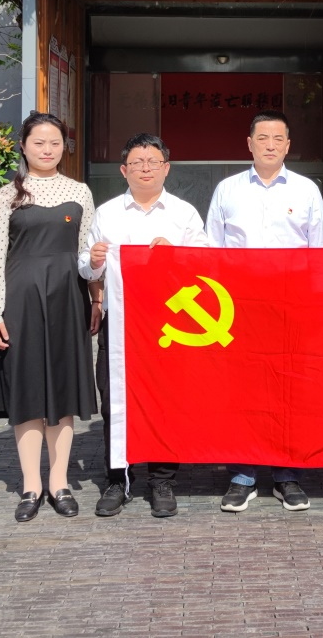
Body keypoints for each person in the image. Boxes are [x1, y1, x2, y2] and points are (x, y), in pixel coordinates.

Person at [0, 112, 98, 521]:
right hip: (20, 303)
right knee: (25, 392)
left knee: (63, 391)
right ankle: (31, 485)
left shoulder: (79, 192)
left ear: (65, 147)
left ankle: (59, 482)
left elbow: (87, 254)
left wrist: (96, 300)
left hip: (68, 301)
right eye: (38, 143)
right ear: (23, 147)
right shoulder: (3, 196)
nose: (47, 150)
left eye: (55, 143)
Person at [79, 132, 210, 518]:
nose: (146, 168)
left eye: (153, 161)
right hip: (120, 325)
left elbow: (205, 261)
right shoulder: (107, 213)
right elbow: (85, 266)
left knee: (165, 402)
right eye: (137, 162)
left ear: (166, 168)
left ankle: (162, 480)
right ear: (124, 170)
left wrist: (176, 254)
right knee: (114, 401)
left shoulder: (183, 213)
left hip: (169, 327)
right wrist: (95, 259)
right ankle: (117, 479)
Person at [207, 109, 323, 512]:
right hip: (239, 307)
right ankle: (242, 475)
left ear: (288, 145)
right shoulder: (227, 189)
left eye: (278, 138)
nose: (270, 145)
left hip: (292, 306)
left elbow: (320, 253)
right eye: (262, 138)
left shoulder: (306, 190)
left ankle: (286, 474)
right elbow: (212, 252)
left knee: (288, 390)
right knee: (241, 390)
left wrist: (316, 306)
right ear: (249, 144)